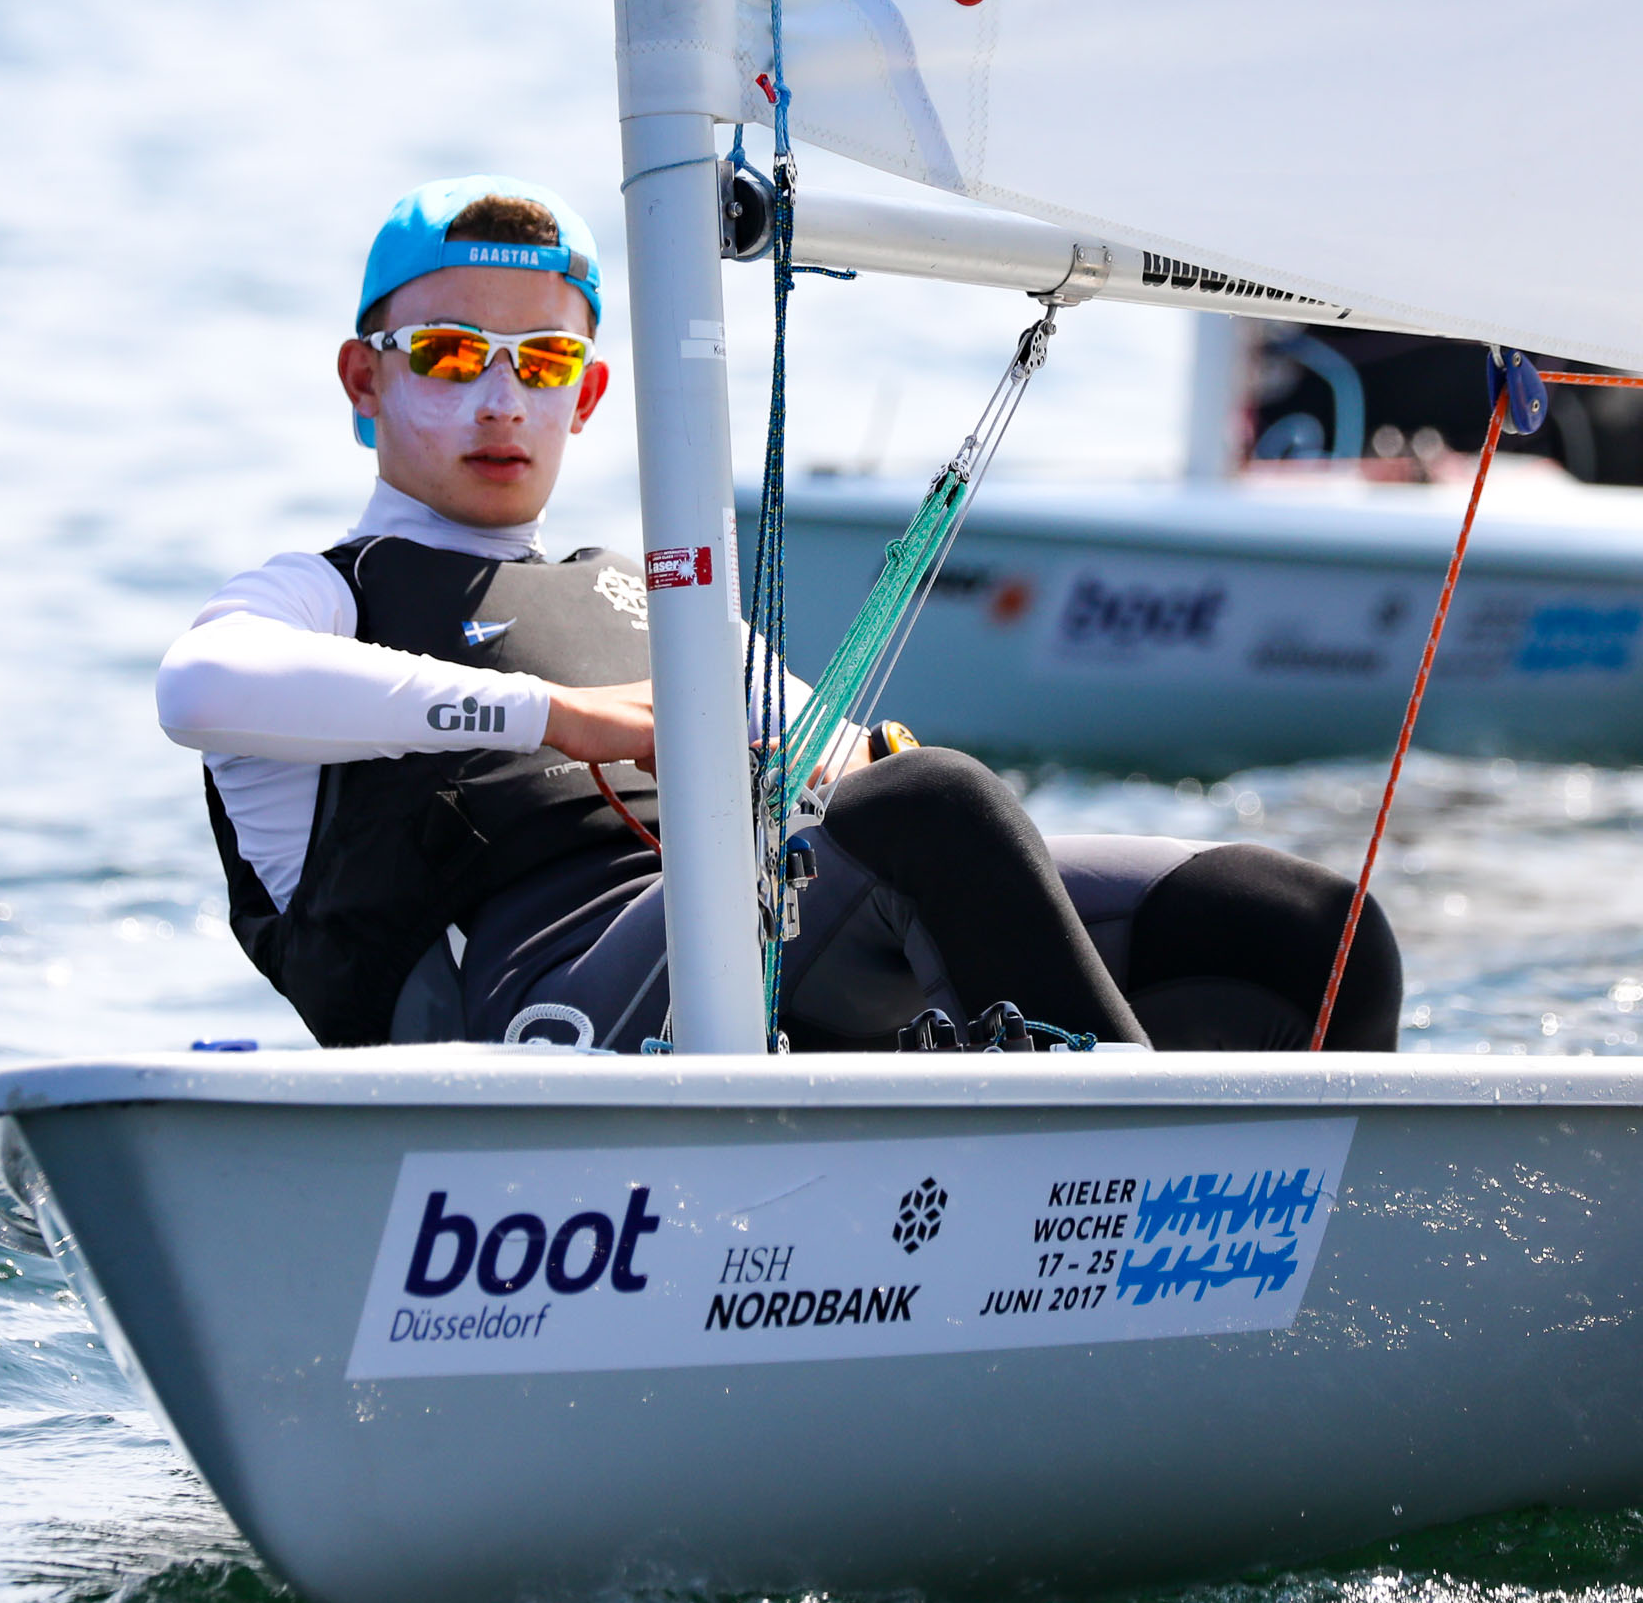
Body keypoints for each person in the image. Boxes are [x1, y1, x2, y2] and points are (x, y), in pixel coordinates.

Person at [155, 175, 1401, 1054]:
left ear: (585, 396)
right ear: (363, 379)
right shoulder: (325, 592)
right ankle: (1123, 1171)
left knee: (1295, 925)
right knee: (929, 806)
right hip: (542, 1017)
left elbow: (851, 765)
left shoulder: (651, 597)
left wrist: (856, 758)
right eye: (446, 353)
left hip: (766, 943)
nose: (498, 399)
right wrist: (565, 717)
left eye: (541, 364)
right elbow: (197, 687)